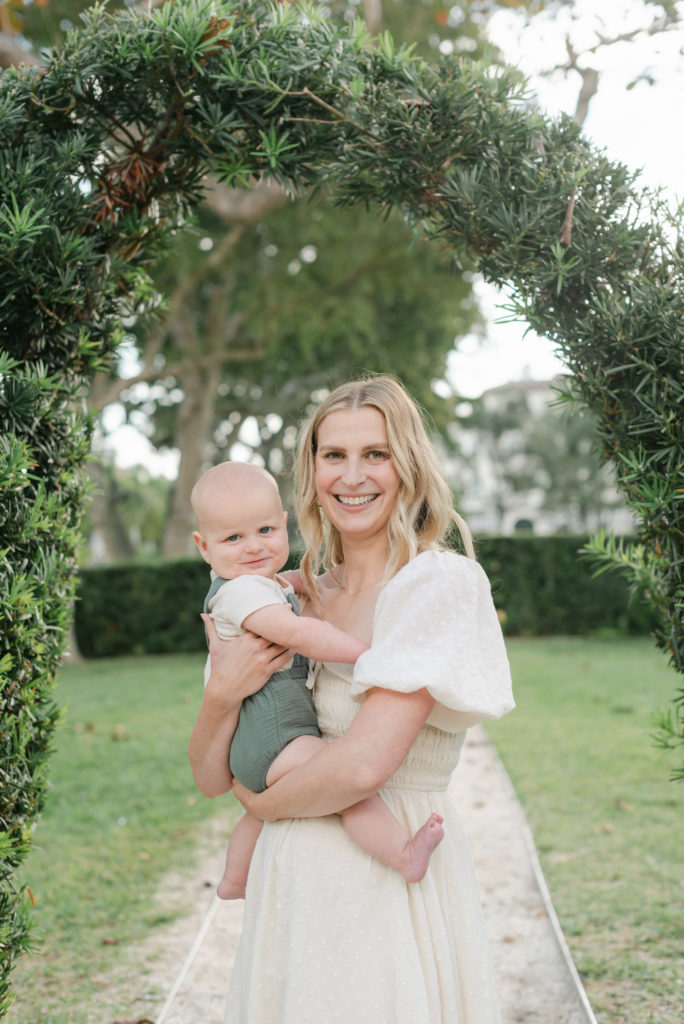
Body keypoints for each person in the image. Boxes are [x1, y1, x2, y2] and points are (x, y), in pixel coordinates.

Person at [188, 375, 515, 1024]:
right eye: (333, 454)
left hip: (386, 885)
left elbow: (364, 768)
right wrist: (223, 694)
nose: (352, 475)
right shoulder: (288, 596)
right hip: (291, 885)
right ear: (311, 469)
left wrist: (259, 802)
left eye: (377, 454)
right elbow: (206, 775)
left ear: (409, 467)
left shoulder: (436, 584)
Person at [191, 460, 445, 899]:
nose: (253, 547)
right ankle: (402, 855)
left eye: (265, 531)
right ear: (203, 546)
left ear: (283, 524)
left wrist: (297, 585)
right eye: (233, 538)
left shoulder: (250, 585)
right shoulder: (242, 592)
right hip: (277, 737)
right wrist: (366, 654)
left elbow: (277, 589)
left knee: (258, 815)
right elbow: (300, 633)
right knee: (346, 787)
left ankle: (234, 880)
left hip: (253, 746)